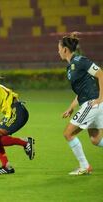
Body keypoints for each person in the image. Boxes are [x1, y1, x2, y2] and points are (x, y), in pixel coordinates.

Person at [58, 32, 103, 175]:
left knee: (68, 134)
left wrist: (101, 98)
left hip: (92, 103)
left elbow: (100, 74)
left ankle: (85, 166)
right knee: (95, 139)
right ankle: (85, 166)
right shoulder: (71, 67)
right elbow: (81, 90)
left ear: (65, 49)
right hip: (89, 102)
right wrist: (71, 107)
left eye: (58, 48)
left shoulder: (80, 61)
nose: (57, 51)